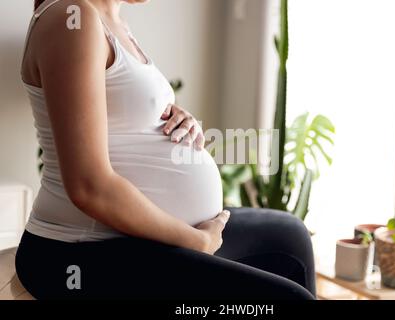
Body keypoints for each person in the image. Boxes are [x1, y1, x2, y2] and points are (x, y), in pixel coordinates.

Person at [15, 0, 316, 300]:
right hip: (83, 250)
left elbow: (119, 112)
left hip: (143, 236)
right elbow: (87, 186)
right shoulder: (73, 18)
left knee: (289, 235)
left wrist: (168, 115)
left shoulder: (111, 20)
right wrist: (197, 241)